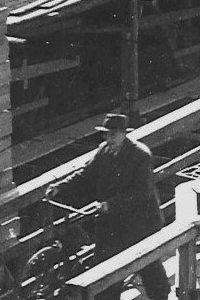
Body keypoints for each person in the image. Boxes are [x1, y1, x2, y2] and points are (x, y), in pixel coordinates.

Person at [46, 114, 170, 300]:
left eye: (112, 135)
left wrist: (110, 205)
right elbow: (86, 174)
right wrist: (60, 187)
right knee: (106, 270)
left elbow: (140, 193)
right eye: (106, 135)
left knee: (148, 267)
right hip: (113, 224)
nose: (108, 139)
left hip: (140, 223)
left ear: (124, 134)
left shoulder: (140, 155)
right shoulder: (104, 151)